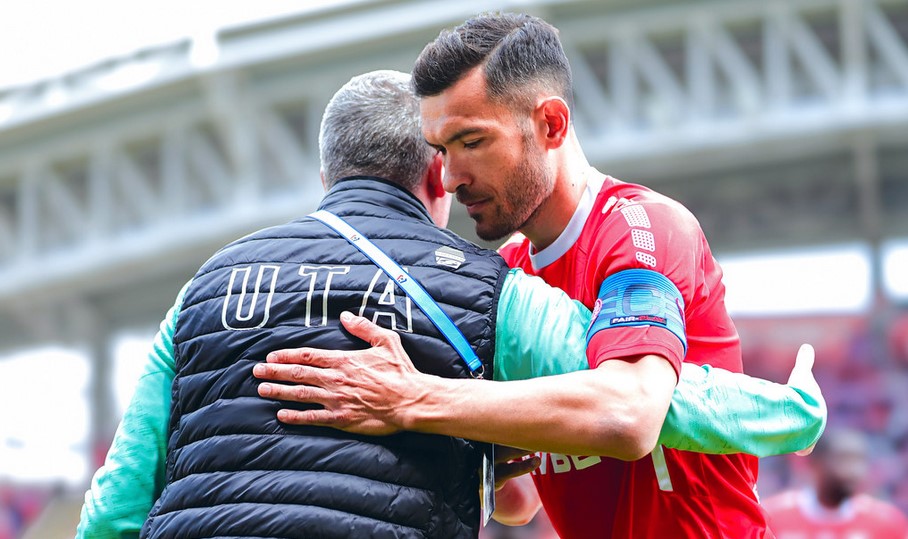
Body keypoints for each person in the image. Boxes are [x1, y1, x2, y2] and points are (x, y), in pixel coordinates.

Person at [77, 69, 823, 539]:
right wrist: (791, 410)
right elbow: (646, 398)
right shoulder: (484, 288)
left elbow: (117, 503)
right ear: (437, 175)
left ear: (328, 175)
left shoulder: (204, 286)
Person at [250, 12, 800, 539]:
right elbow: (518, 502)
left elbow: (630, 414)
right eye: (440, 150)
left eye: (471, 142)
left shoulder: (641, 229)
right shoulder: (504, 276)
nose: (450, 177)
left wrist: (413, 397)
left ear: (551, 124)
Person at [762, 427, 908, 538]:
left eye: (859, 461)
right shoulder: (771, 516)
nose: (853, 471)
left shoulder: (887, 522)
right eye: (843, 460)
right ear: (815, 464)